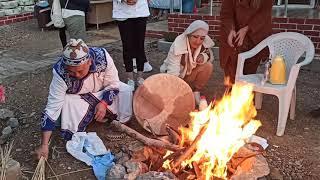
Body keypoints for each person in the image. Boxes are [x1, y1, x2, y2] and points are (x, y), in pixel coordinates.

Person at [35, 39, 133, 160]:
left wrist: (103, 103)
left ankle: (121, 123)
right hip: (78, 97)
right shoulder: (60, 72)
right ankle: (86, 121)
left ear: (89, 62)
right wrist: (44, 145)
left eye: (80, 71)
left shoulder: (102, 57)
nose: (76, 75)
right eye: (71, 71)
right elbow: (52, 107)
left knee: (125, 90)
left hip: (102, 92)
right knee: (65, 104)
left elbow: (113, 84)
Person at [160, 20, 215, 104]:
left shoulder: (203, 44)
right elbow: (173, 70)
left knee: (208, 66)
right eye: (195, 37)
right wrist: (174, 91)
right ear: (189, 34)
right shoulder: (178, 45)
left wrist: (203, 56)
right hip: (175, 76)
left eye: (201, 38)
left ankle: (196, 91)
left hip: (189, 76)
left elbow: (209, 55)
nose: (198, 41)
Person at [219, 0, 273, 85]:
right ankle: (230, 90)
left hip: (255, 33)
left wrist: (247, 29)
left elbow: (263, 14)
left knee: (248, 72)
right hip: (234, 33)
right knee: (230, 67)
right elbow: (226, 13)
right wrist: (230, 28)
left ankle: (245, 91)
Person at [112, 0, 153, 89]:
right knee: (127, 46)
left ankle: (140, 77)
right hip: (123, 13)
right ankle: (130, 78)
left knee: (140, 46)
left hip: (140, 11)